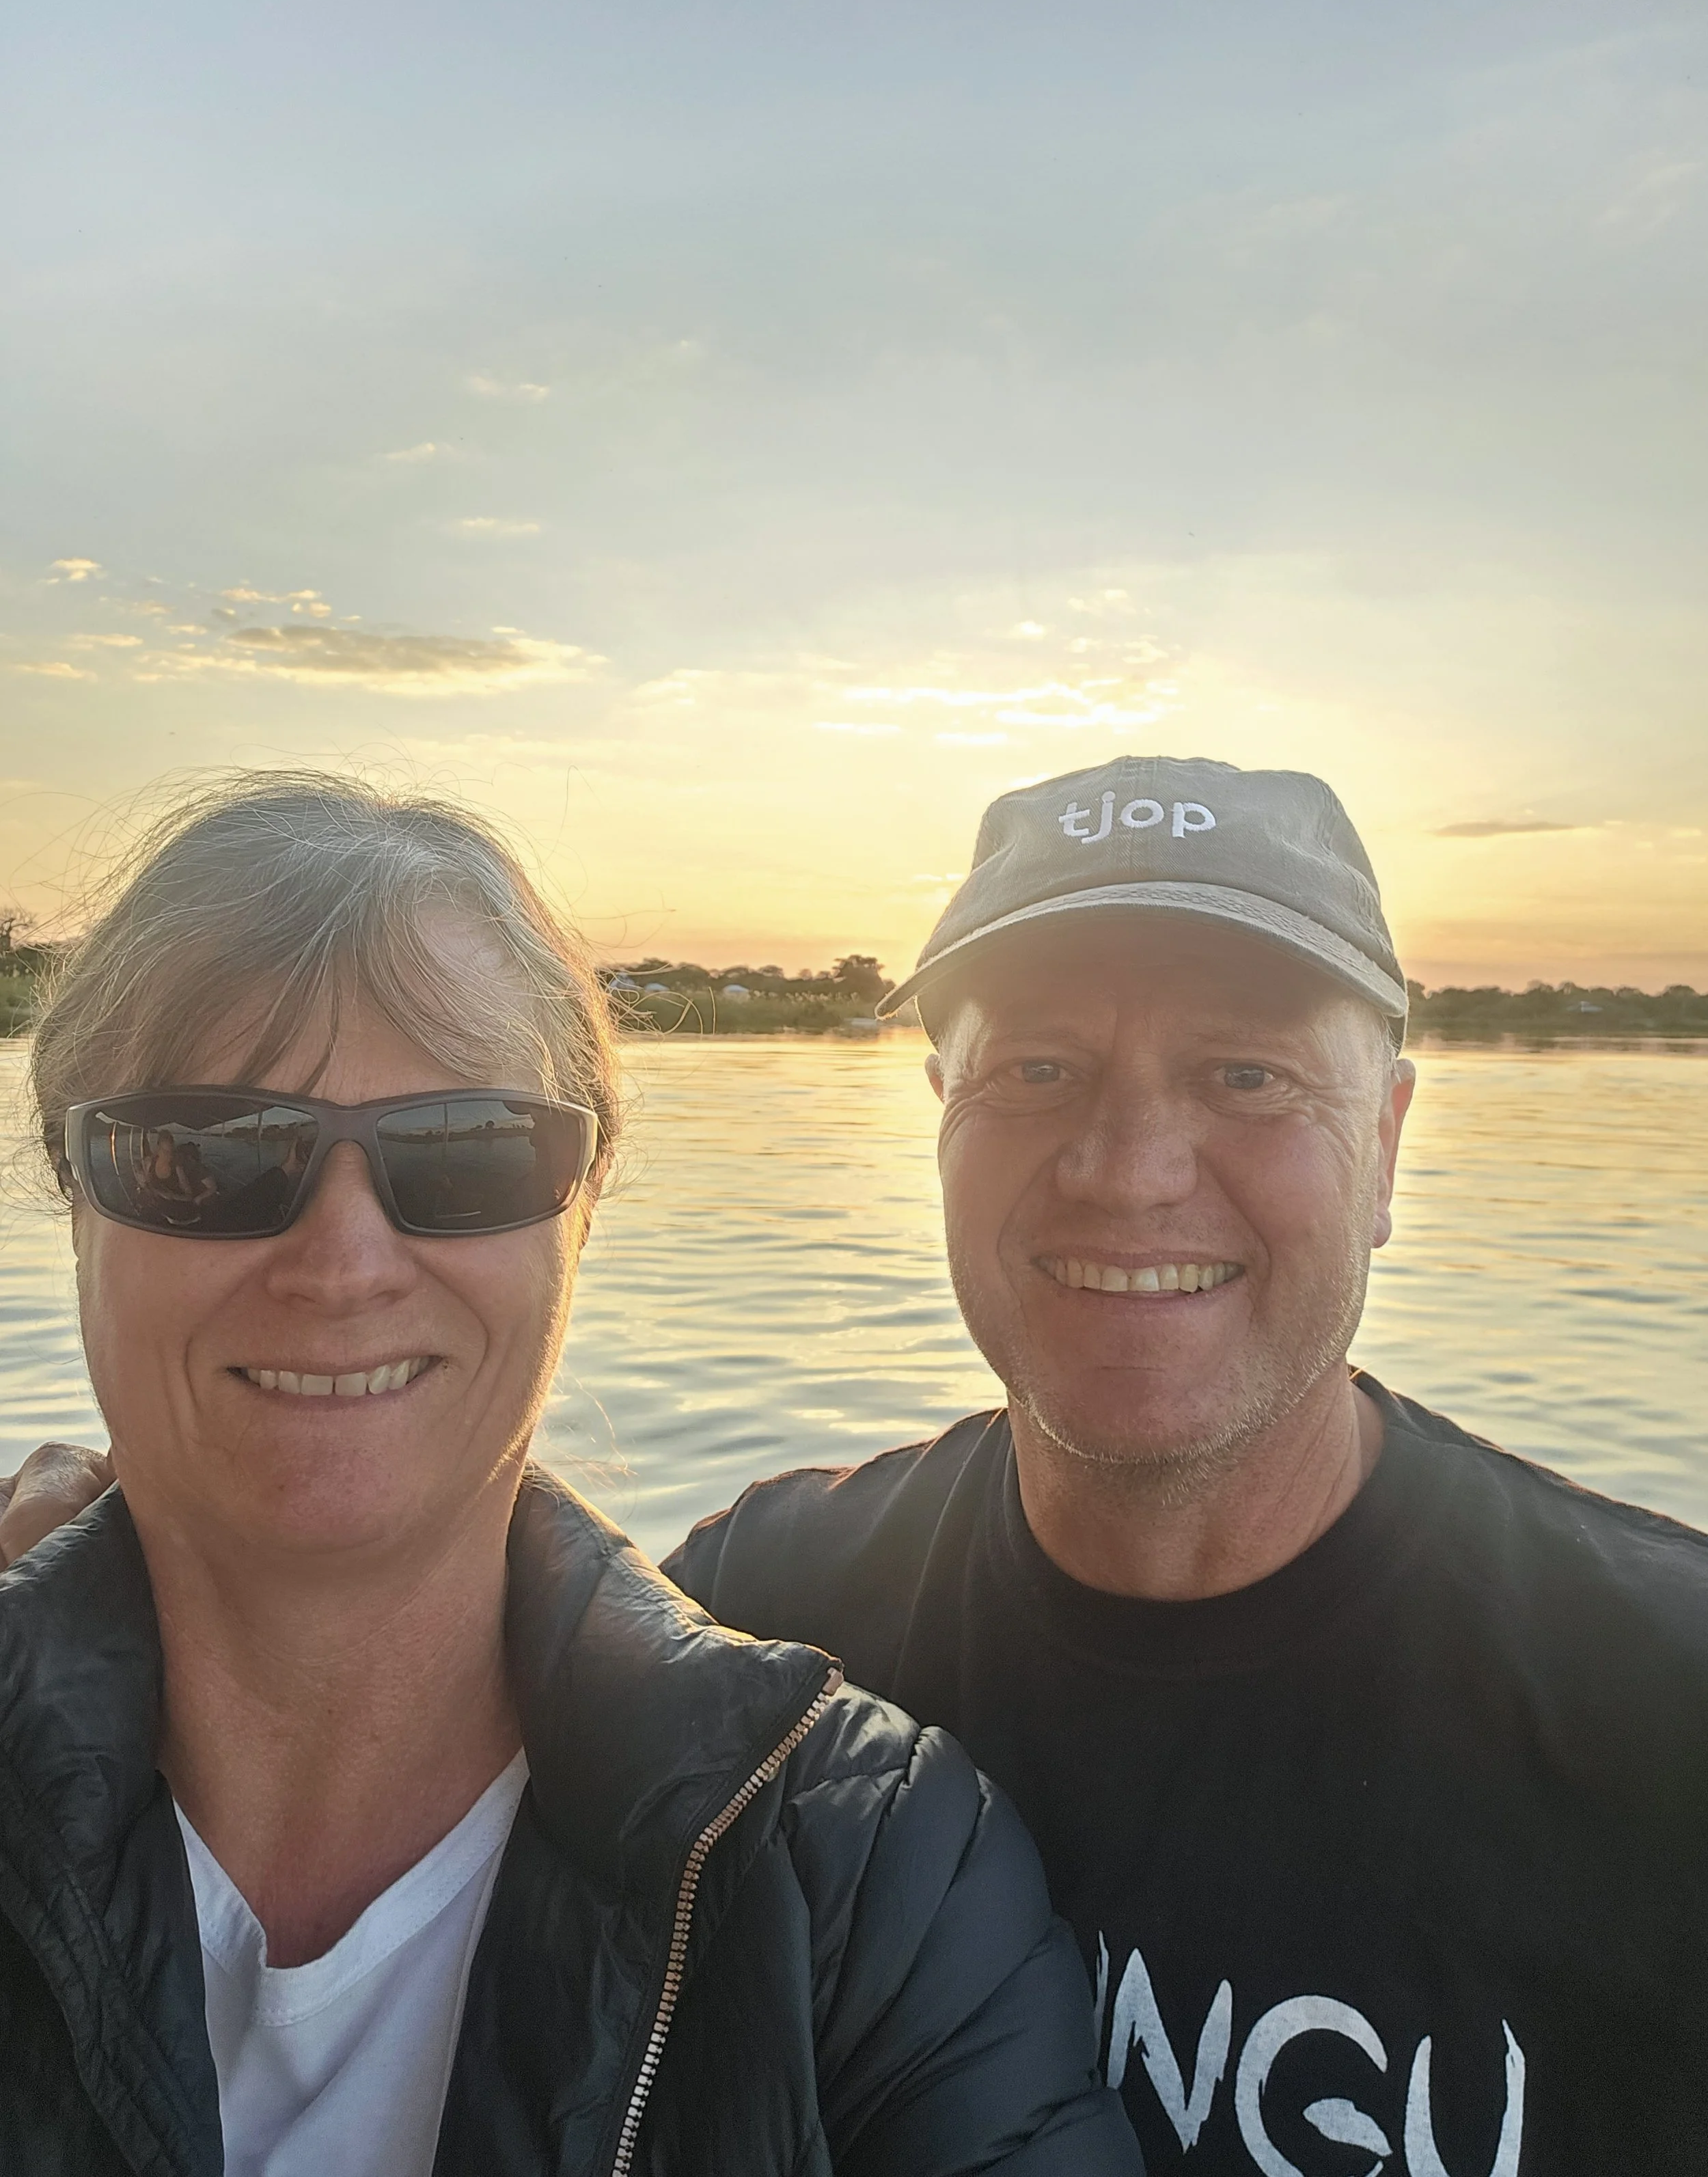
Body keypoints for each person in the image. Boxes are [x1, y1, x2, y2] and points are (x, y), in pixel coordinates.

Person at [21, 755, 1708, 2171]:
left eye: (1244, 1073)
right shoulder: (763, 1636)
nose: (1127, 1166)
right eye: (1037, 1068)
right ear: (941, 1112)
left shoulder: (1660, 1704)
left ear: (1393, 1134)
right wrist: (123, 1559)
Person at [0, 773, 1136, 2177]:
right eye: (209, 1156)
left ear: (580, 1207)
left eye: (465, 1153)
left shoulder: (859, 1875)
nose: (344, 1261)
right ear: (74, 1189)